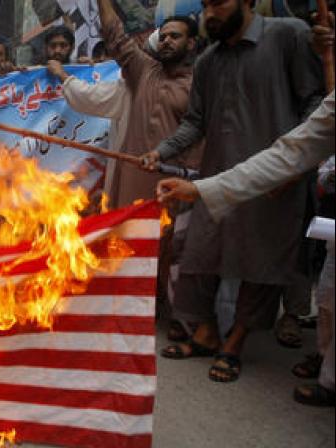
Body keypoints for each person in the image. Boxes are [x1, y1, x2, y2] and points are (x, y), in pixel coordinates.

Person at [139, 0, 324, 383]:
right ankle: (205, 334)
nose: (210, 13)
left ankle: (234, 343)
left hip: (274, 180)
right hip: (215, 179)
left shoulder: (289, 36)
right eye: (205, 5)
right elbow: (195, 123)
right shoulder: (208, 62)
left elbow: (317, 105)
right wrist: (161, 151)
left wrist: (297, 166)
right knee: (196, 255)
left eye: (219, 3)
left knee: (260, 262)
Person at [156, 92, 334, 405]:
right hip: (234, 181)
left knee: (263, 261)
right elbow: (295, 150)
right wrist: (202, 188)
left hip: (274, 200)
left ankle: (236, 343)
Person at [49, 0, 200, 208]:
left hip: (174, 190)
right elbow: (115, 36)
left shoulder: (200, 84)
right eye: (163, 37)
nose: (166, 41)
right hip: (131, 189)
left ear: (191, 43)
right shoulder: (145, 72)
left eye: (174, 36)